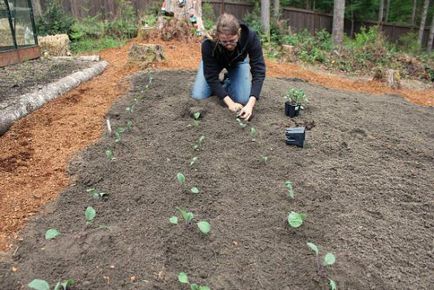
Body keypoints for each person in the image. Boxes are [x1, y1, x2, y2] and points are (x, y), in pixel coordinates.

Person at [191, 13, 266, 121]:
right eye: (224, 42)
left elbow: (259, 70)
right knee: (198, 96)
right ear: (217, 36)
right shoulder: (208, 43)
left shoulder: (250, 36)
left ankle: (227, 82)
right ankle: (220, 87)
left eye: (232, 41)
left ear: (238, 33)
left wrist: (250, 104)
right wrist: (230, 103)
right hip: (215, 62)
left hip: (238, 62)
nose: (229, 45)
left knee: (243, 99)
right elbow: (211, 76)